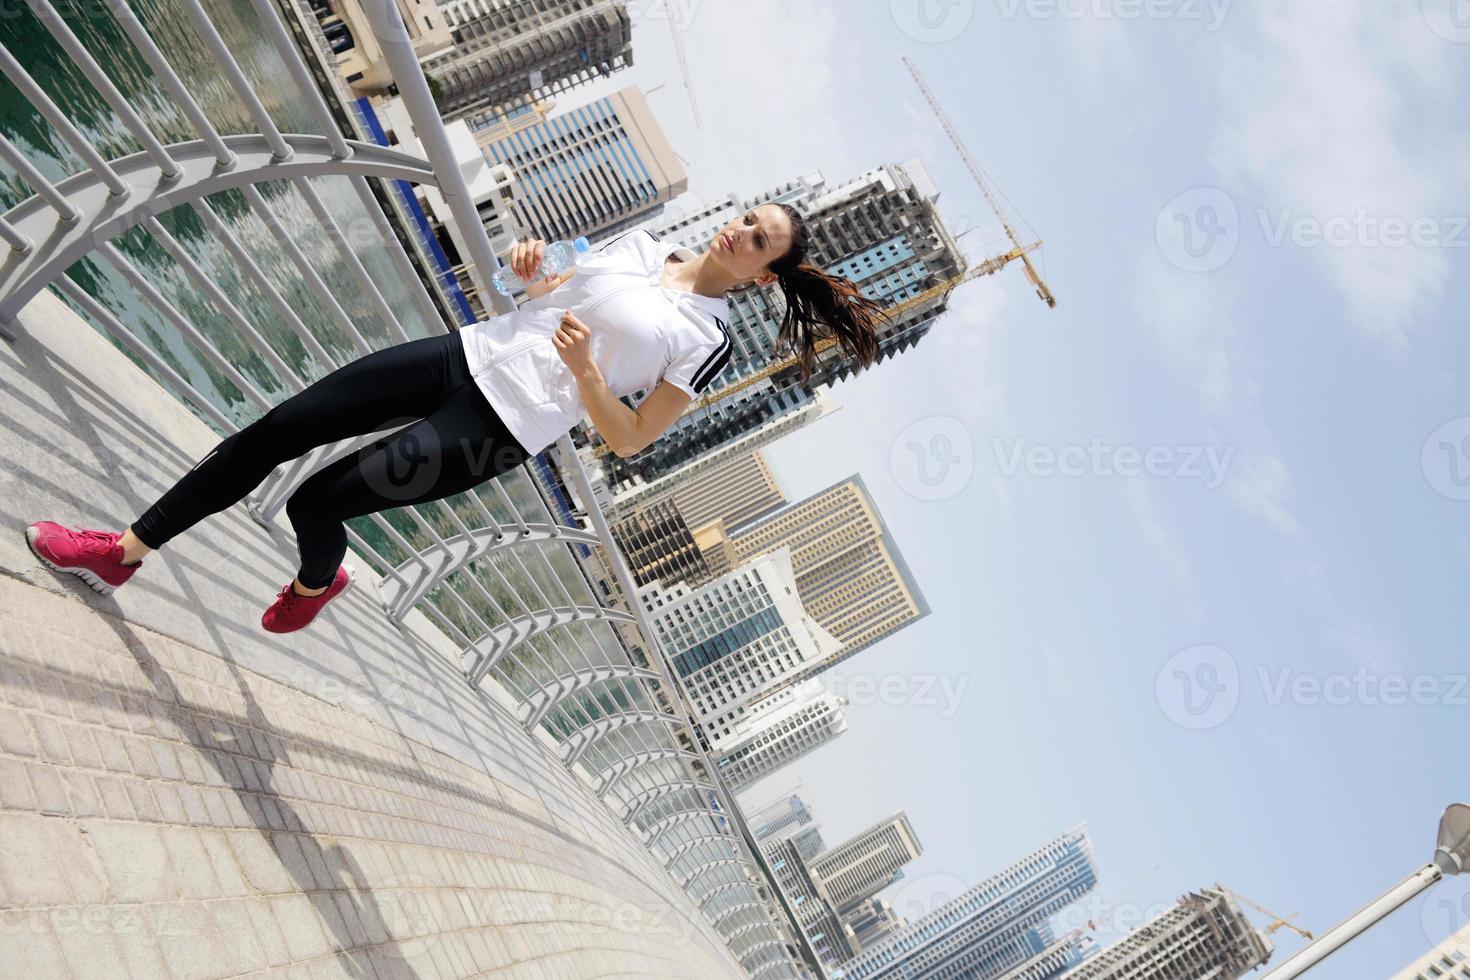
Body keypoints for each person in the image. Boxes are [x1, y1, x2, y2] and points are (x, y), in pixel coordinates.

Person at [25, 203, 887, 633]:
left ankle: (320, 581)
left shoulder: (706, 342)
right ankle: (121, 555)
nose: (741, 233)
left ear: (768, 276)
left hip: (498, 429)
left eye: (761, 241)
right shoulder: (644, 244)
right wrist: (527, 272)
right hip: (464, 353)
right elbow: (547, 292)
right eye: (747, 219)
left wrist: (588, 374)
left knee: (313, 504)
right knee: (277, 428)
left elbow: (628, 438)